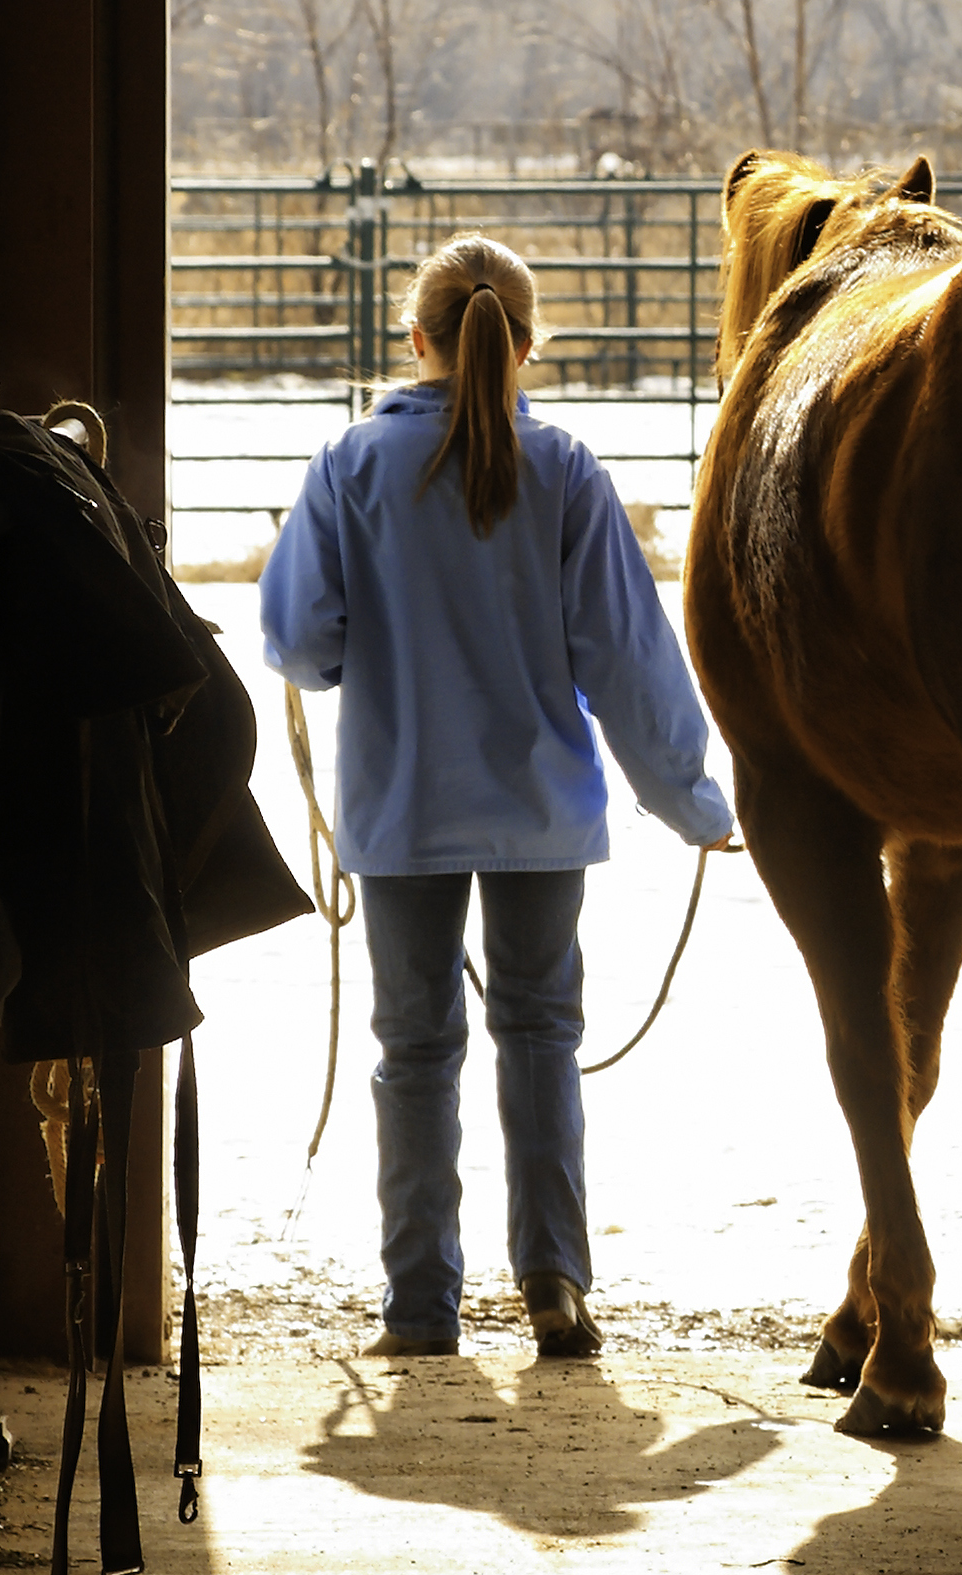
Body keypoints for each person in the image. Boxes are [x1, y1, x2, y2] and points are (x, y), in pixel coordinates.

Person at [261, 235, 734, 1360]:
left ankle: (420, 1307)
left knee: (414, 1052)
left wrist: (353, 658)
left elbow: (294, 637)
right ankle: (556, 1285)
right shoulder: (566, 469)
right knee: (540, 1035)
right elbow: (625, 656)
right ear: (526, 347)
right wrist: (696, 801)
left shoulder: (348, 468)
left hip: (403, 810)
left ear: (414, 340)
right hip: (540, 814)